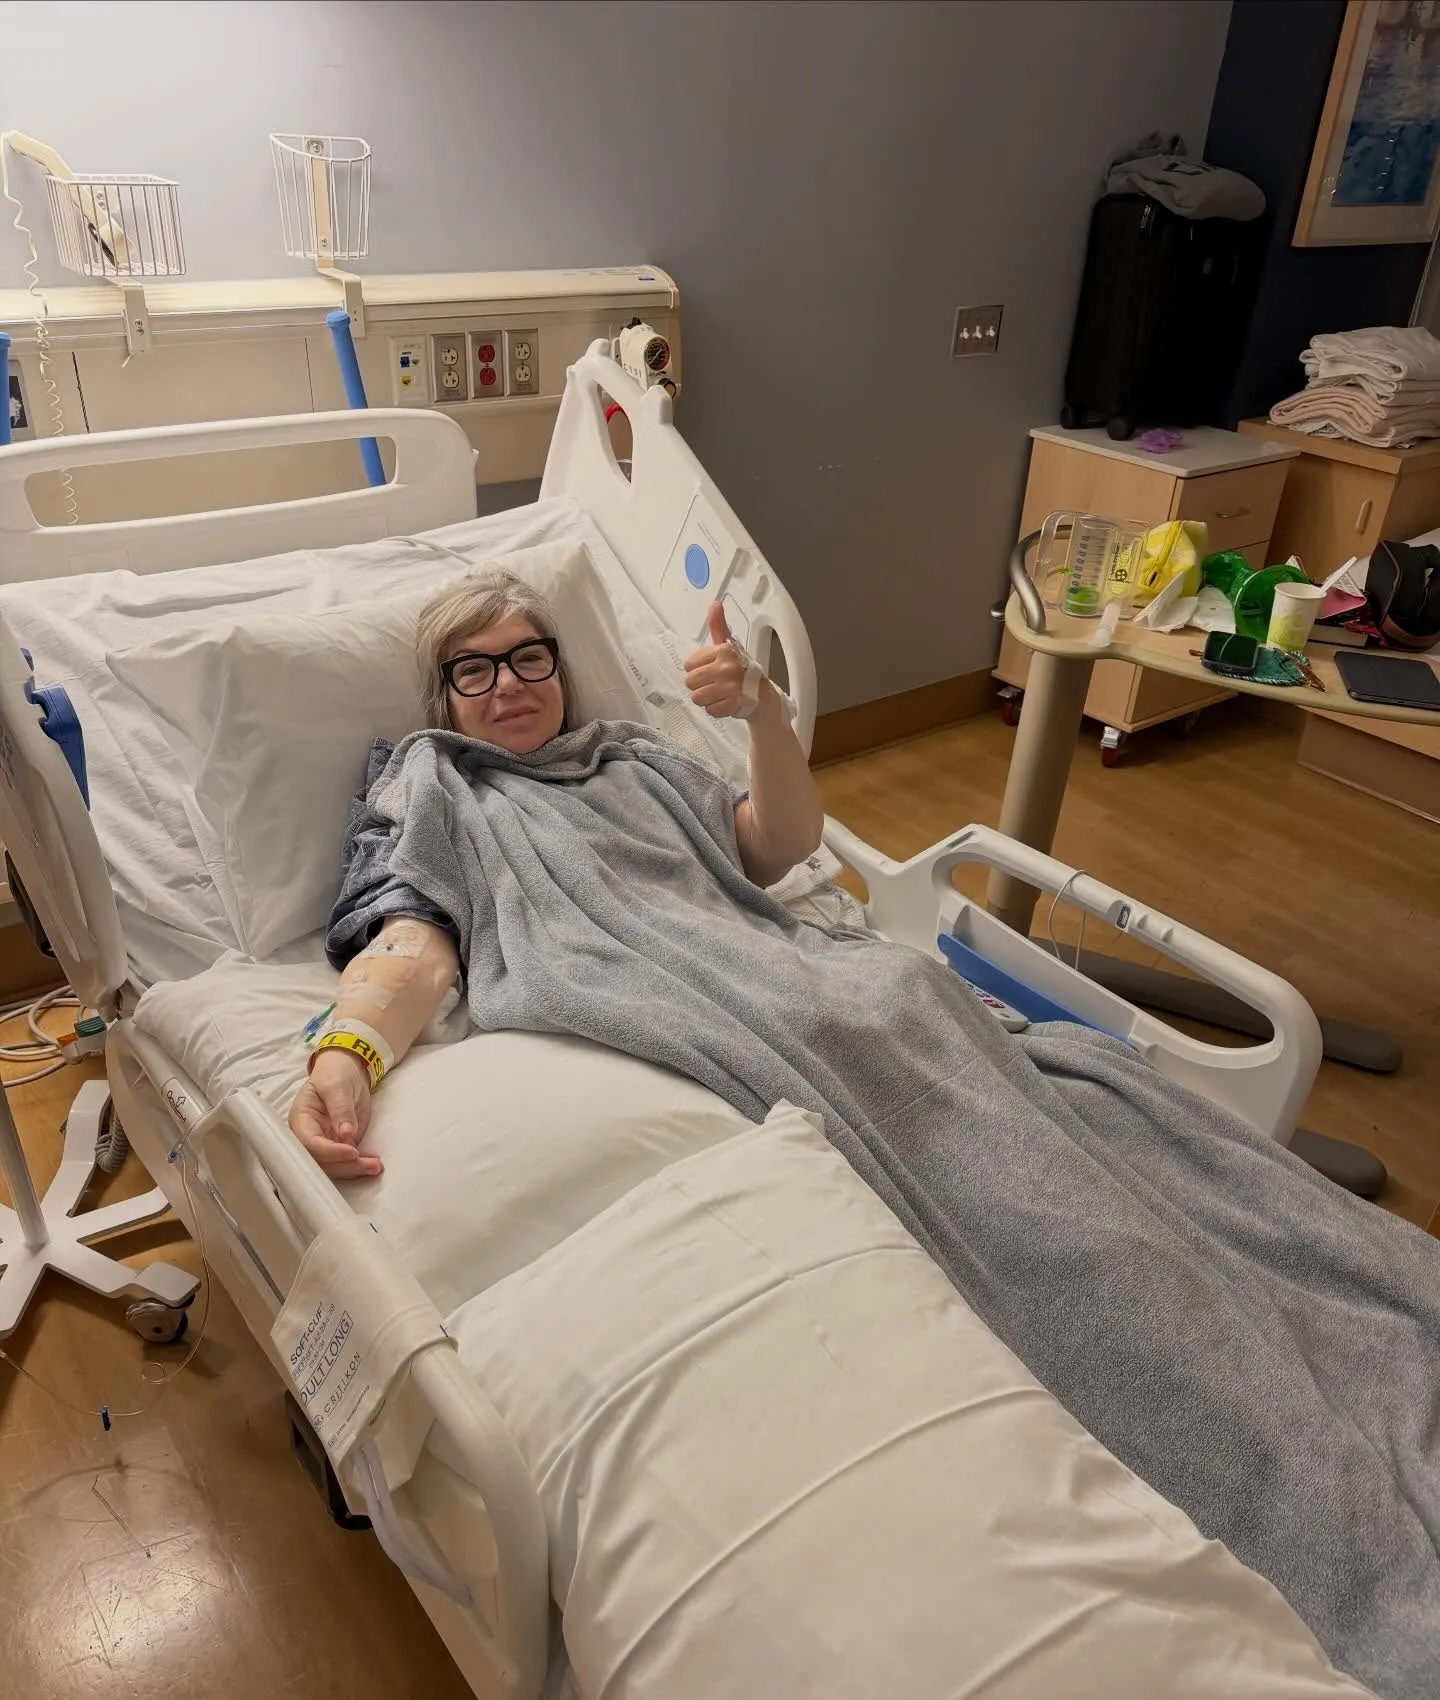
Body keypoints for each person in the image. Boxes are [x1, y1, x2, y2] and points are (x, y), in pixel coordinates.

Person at [288, 570, 822, 1178]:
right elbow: (413, 939)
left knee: (907, 995)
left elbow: (773, 850)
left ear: (559, 673)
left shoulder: (634, 757)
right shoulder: (436, 788)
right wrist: (345, 1056)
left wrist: (767, 718)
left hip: (781, 974)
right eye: (474, 670)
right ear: (446, 702)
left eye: (528, 658)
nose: (509, 682)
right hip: (652, 1026)